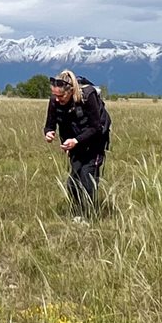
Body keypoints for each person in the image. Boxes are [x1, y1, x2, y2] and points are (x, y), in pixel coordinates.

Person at [43, 70, 110, 221]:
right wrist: (48, 133)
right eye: (55, 95)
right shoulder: (55, 100)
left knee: (87, 177)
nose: (57, 99)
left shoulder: (87, 96)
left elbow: (96, 127)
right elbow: (49, 125)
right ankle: (78, 213)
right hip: (73, 144)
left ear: (71, 91)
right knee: (73, 182)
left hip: (95, 141)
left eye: (61, 96)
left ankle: (89, 216)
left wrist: (76, 140)